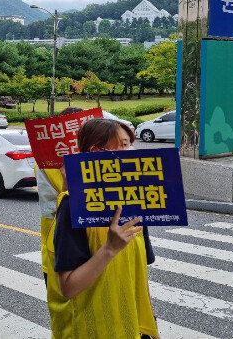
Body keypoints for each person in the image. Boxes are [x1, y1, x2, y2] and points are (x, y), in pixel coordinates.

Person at [48, 118, 159, 339]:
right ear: (97, 152)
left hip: (134, 330)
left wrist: (151, 325)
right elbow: (68, 287)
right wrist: (109, 249)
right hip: (93, 331)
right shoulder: (72, 205)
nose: (132, 152)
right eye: (124, 146)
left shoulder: (136, 202)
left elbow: (140, 274)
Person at [37, 107, 84, 286]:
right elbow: (54, 213)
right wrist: (67, 181)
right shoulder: (45, 167)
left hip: (99, 252)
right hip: (60, 252)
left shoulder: (99, 162)